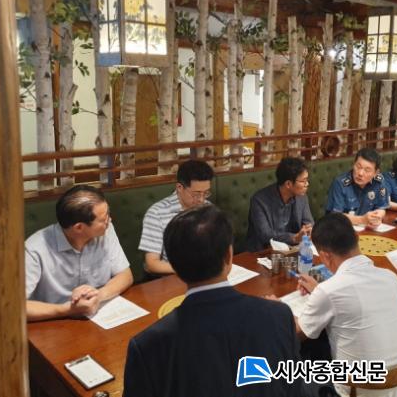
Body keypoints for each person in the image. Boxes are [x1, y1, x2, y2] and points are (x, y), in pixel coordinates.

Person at [124, 205, 301, 397]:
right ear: (229, 256)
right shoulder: (279, 315)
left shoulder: (146, 346)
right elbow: (293, 387)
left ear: (174, 266)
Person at [294, 213, 397, 397]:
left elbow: (298, 332)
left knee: (289, 373)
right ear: (357, 238)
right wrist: (319, 291)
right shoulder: (391, 277)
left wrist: (277, 309)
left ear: (325, 256)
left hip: (357, 390)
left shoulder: (330, 291)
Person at [25, 185, 133, 322]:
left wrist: (98, 296)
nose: (109, 220)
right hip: (53, 322)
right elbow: (14, 307)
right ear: (79, 227)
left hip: (99, 316)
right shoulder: (34, 249)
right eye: (103, 219)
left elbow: (125, 275)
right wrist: (68, 310)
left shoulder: (105, 230)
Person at [138, 159, 214, 276]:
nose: (201, 199)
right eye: (196, 194)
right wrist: (192, 268)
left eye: (206, 193)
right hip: (173, 276)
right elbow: (152, 264)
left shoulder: (208, 207)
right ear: (179, 187)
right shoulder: (157, 213)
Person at [246, 157, 314, 252]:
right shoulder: (259, 201)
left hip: (294, 250)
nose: (307, 184)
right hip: (264, 252)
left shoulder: (301, 196)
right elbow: (265, 235)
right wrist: (294, 238)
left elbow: (309, 223)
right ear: (288, 184)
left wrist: (308, 231)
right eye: (303, 181)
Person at [326, 148, 388, 228]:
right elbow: (336, 216)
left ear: (376, 173)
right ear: (353, 164)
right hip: (341, 229)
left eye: (367, 170)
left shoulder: (379, 182)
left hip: (367, 229)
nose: (360, 173)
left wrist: (377, 217)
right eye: (358, 167)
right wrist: (362, 220)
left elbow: (382, 207)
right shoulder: (340, 183)